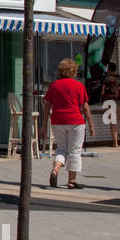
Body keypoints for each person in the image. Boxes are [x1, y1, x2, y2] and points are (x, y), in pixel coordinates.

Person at [42, 58, 95, 189]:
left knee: (61, 148)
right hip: (75, 121)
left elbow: (47, 105)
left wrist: (43, 124)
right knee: (75, 151)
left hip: (57, 120)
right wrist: (91, 125)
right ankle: (72, 180)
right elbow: (85, 107)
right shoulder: (78, 86)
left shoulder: (54, 85)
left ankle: (55, 169)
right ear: (73, 71)